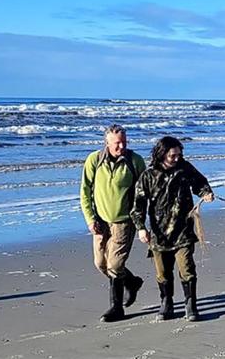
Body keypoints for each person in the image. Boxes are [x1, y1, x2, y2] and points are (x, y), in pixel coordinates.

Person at [132, 136, 214, 321]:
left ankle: (190, 304)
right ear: (162, 154)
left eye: (179, 154)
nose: (177, 158)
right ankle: (166, 302)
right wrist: (141, 228)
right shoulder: (148, 175)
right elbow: (138, 204)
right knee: (162, 272)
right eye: (172, 155)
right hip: (159, 234)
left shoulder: (185, 169)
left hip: (183, 230)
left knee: (187, 268)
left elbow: (200, 183)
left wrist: (206, 192)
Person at [79, 124, 147, 322]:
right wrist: (90, 219)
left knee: (115, 265)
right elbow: (85, 191)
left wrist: (141, 222)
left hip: (124, 222)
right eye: (117, 143)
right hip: (100, 222)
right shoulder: (94, 160)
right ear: (106, 142)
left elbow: (143, 193)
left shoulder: (135, 161)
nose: (121, 146)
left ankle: (116, 308)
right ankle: (132, 282)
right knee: (100, 264)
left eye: (124, 142)